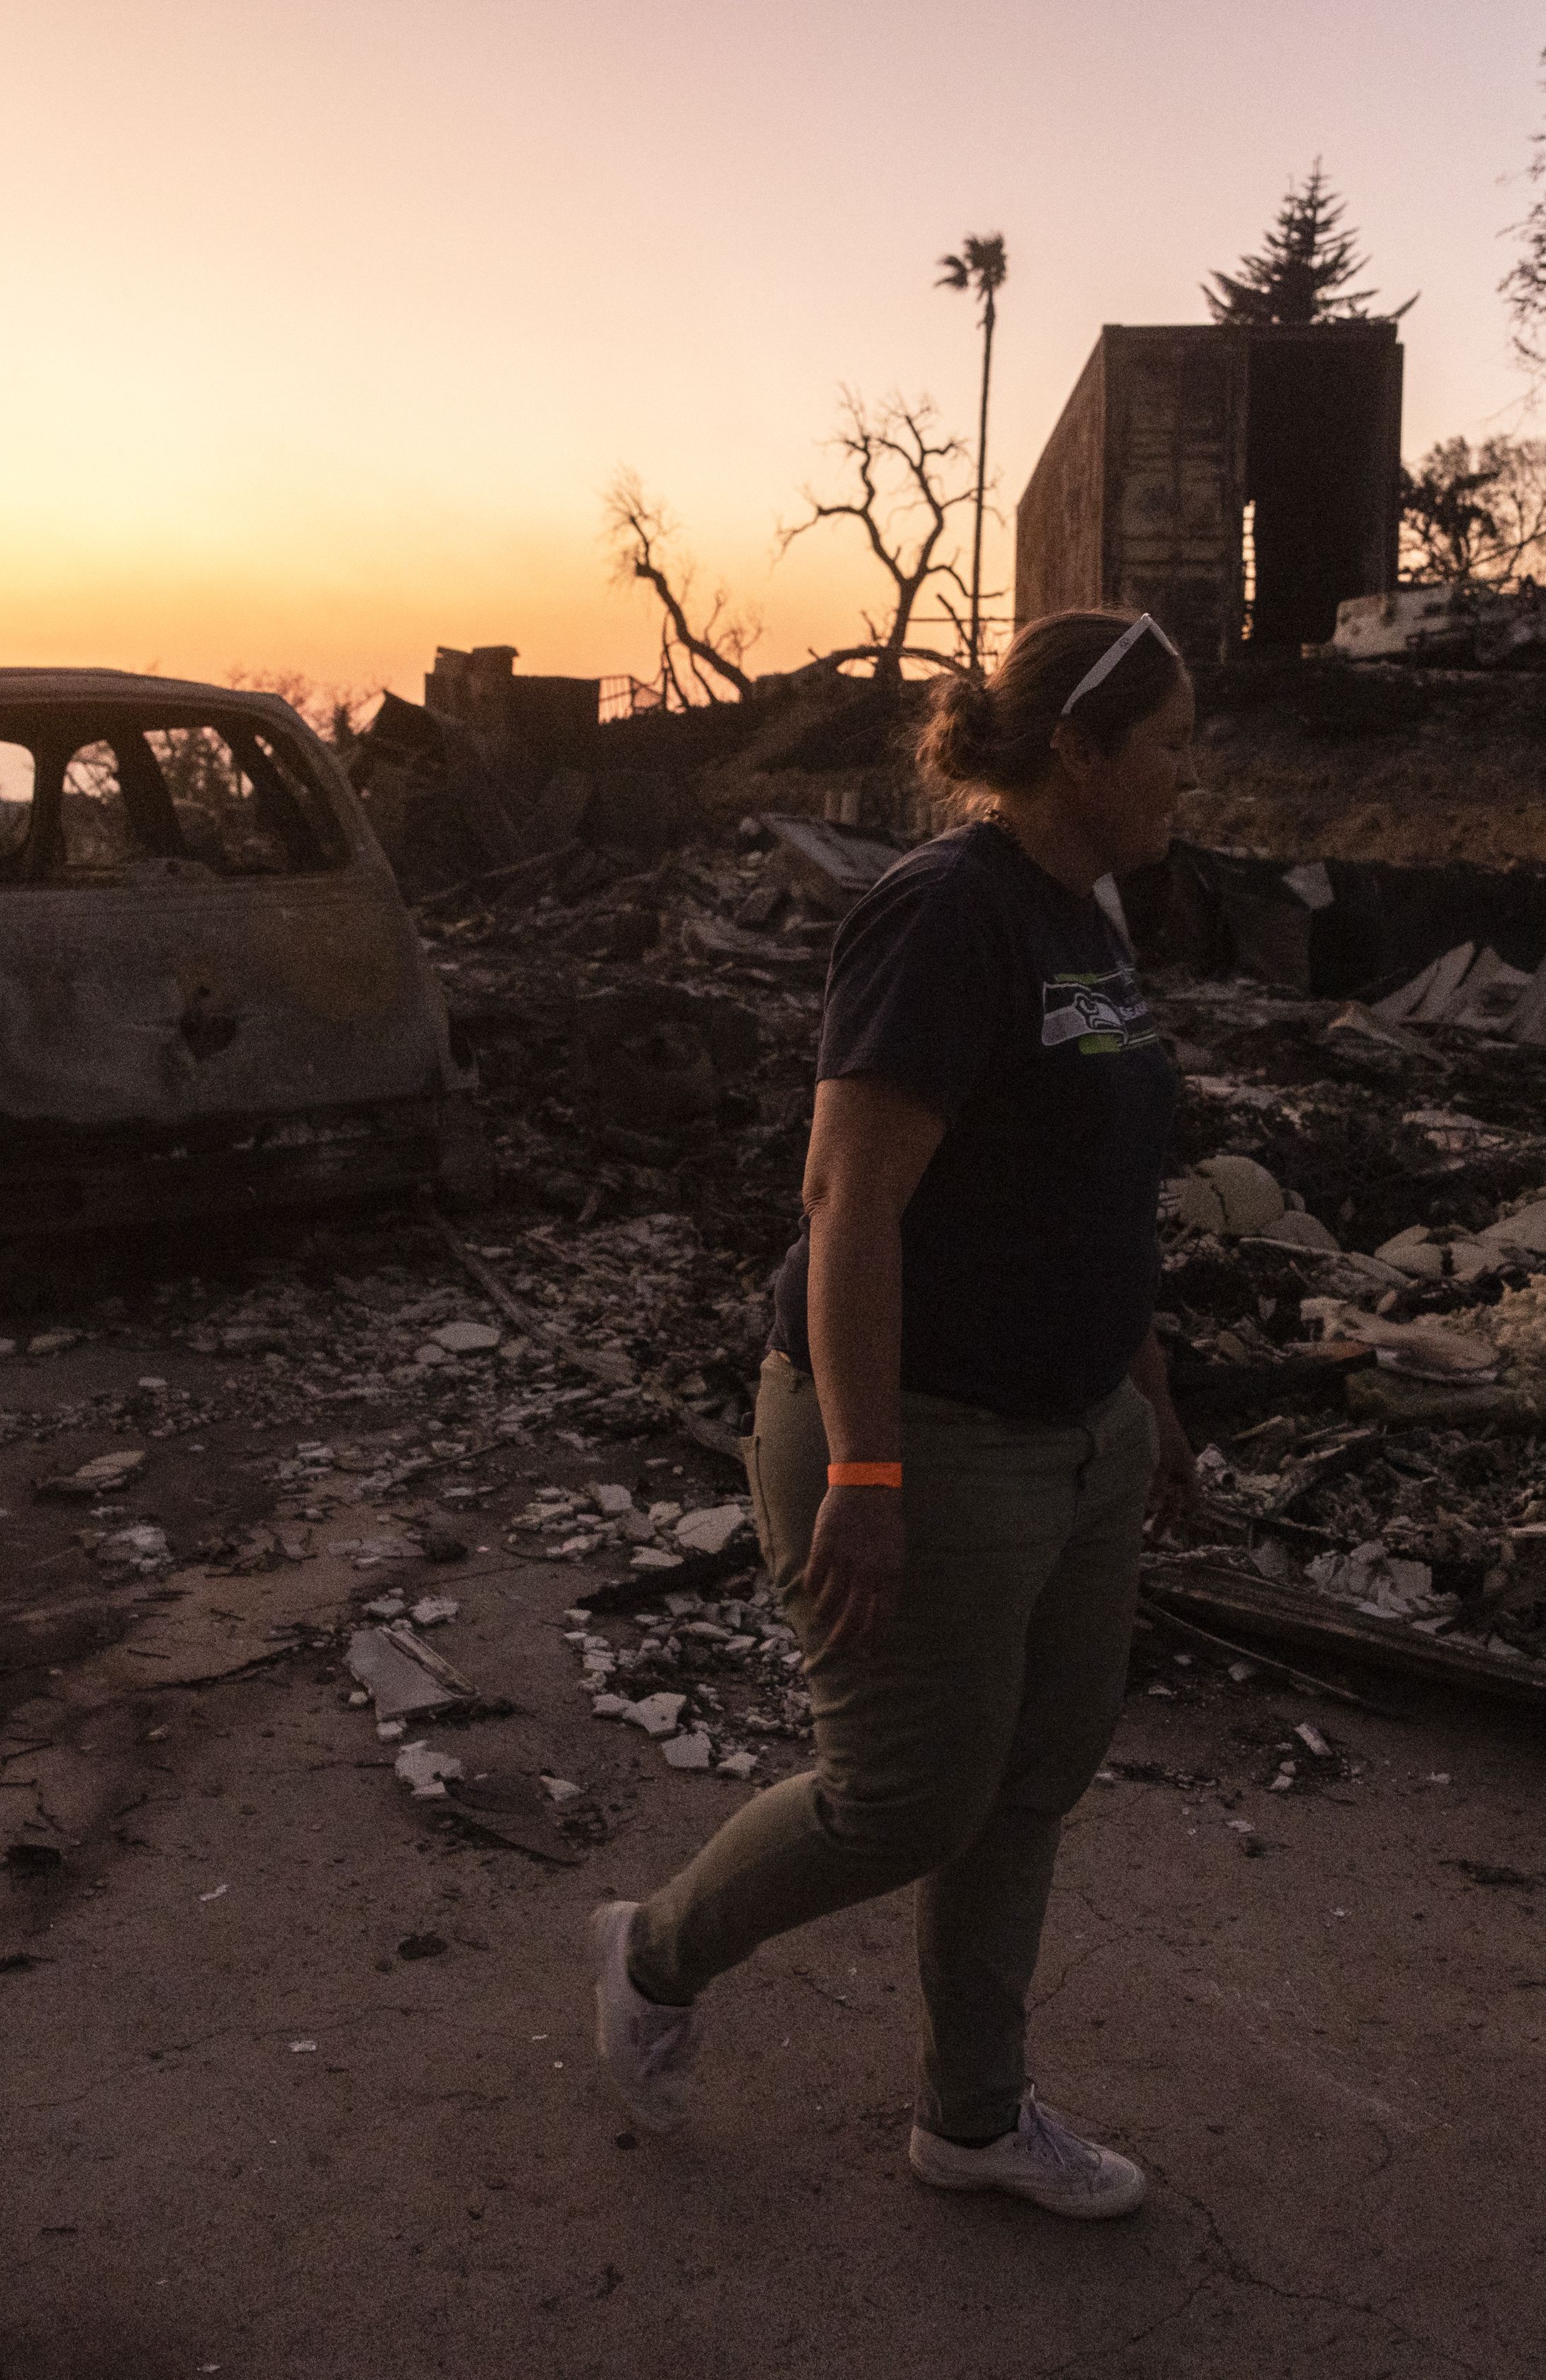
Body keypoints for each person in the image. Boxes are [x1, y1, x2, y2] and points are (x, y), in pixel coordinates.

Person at [589, 608, 1201, 2219]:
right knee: (904, 1797)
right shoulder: (947, 917)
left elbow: (1098, 1174)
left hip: (1079, 1429)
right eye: (1169, 744)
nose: (1187, 775)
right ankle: (652, 1954)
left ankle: (974, 2121)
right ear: (1079, 752)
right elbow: (845, 1204)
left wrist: (1141, 1377)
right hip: (924, 1429)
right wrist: (863, 1464)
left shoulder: (1092, 914)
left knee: (1031, 1780)